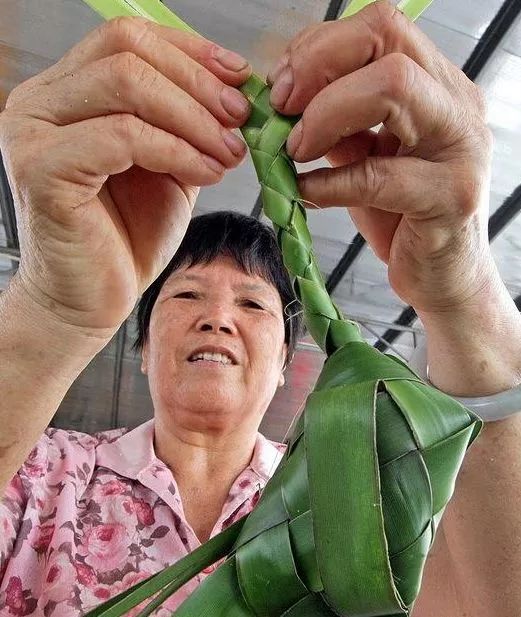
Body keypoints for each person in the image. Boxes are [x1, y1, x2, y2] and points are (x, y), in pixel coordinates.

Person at [1, 2, 521, 615]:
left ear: (283, 364)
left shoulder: (351, 487)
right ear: (140, 349)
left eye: (252, 303)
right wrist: (52, 310)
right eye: (188, 294)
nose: (217, 318)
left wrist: (463, 293)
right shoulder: (40, 474)